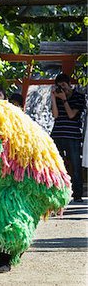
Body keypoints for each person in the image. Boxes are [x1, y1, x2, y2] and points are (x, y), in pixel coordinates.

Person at [51, 73, 86, 202]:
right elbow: (55, 115)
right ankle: (57, 192)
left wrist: (64, 99)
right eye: (59, 86)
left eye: (64, 85)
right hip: (57, 134)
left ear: (69, 84)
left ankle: (77, 194)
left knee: (76, 166)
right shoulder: (58, 97)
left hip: (72, 136)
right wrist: (54, 98)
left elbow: (71, 115)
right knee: (56, 166)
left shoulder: (79, 97)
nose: (62, 88)